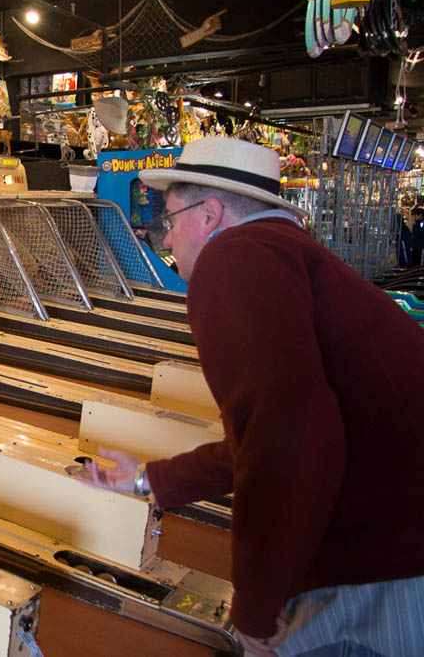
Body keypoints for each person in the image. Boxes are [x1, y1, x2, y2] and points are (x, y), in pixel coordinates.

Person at [83, 136, 424, 657]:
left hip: (384, 558)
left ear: (211, 213)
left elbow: (286, 436)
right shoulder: (284, 253)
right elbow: (268, 430)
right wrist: (145, 479)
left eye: (169, 221)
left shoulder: (236, 259)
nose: (168, 242)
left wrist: (257, 608)